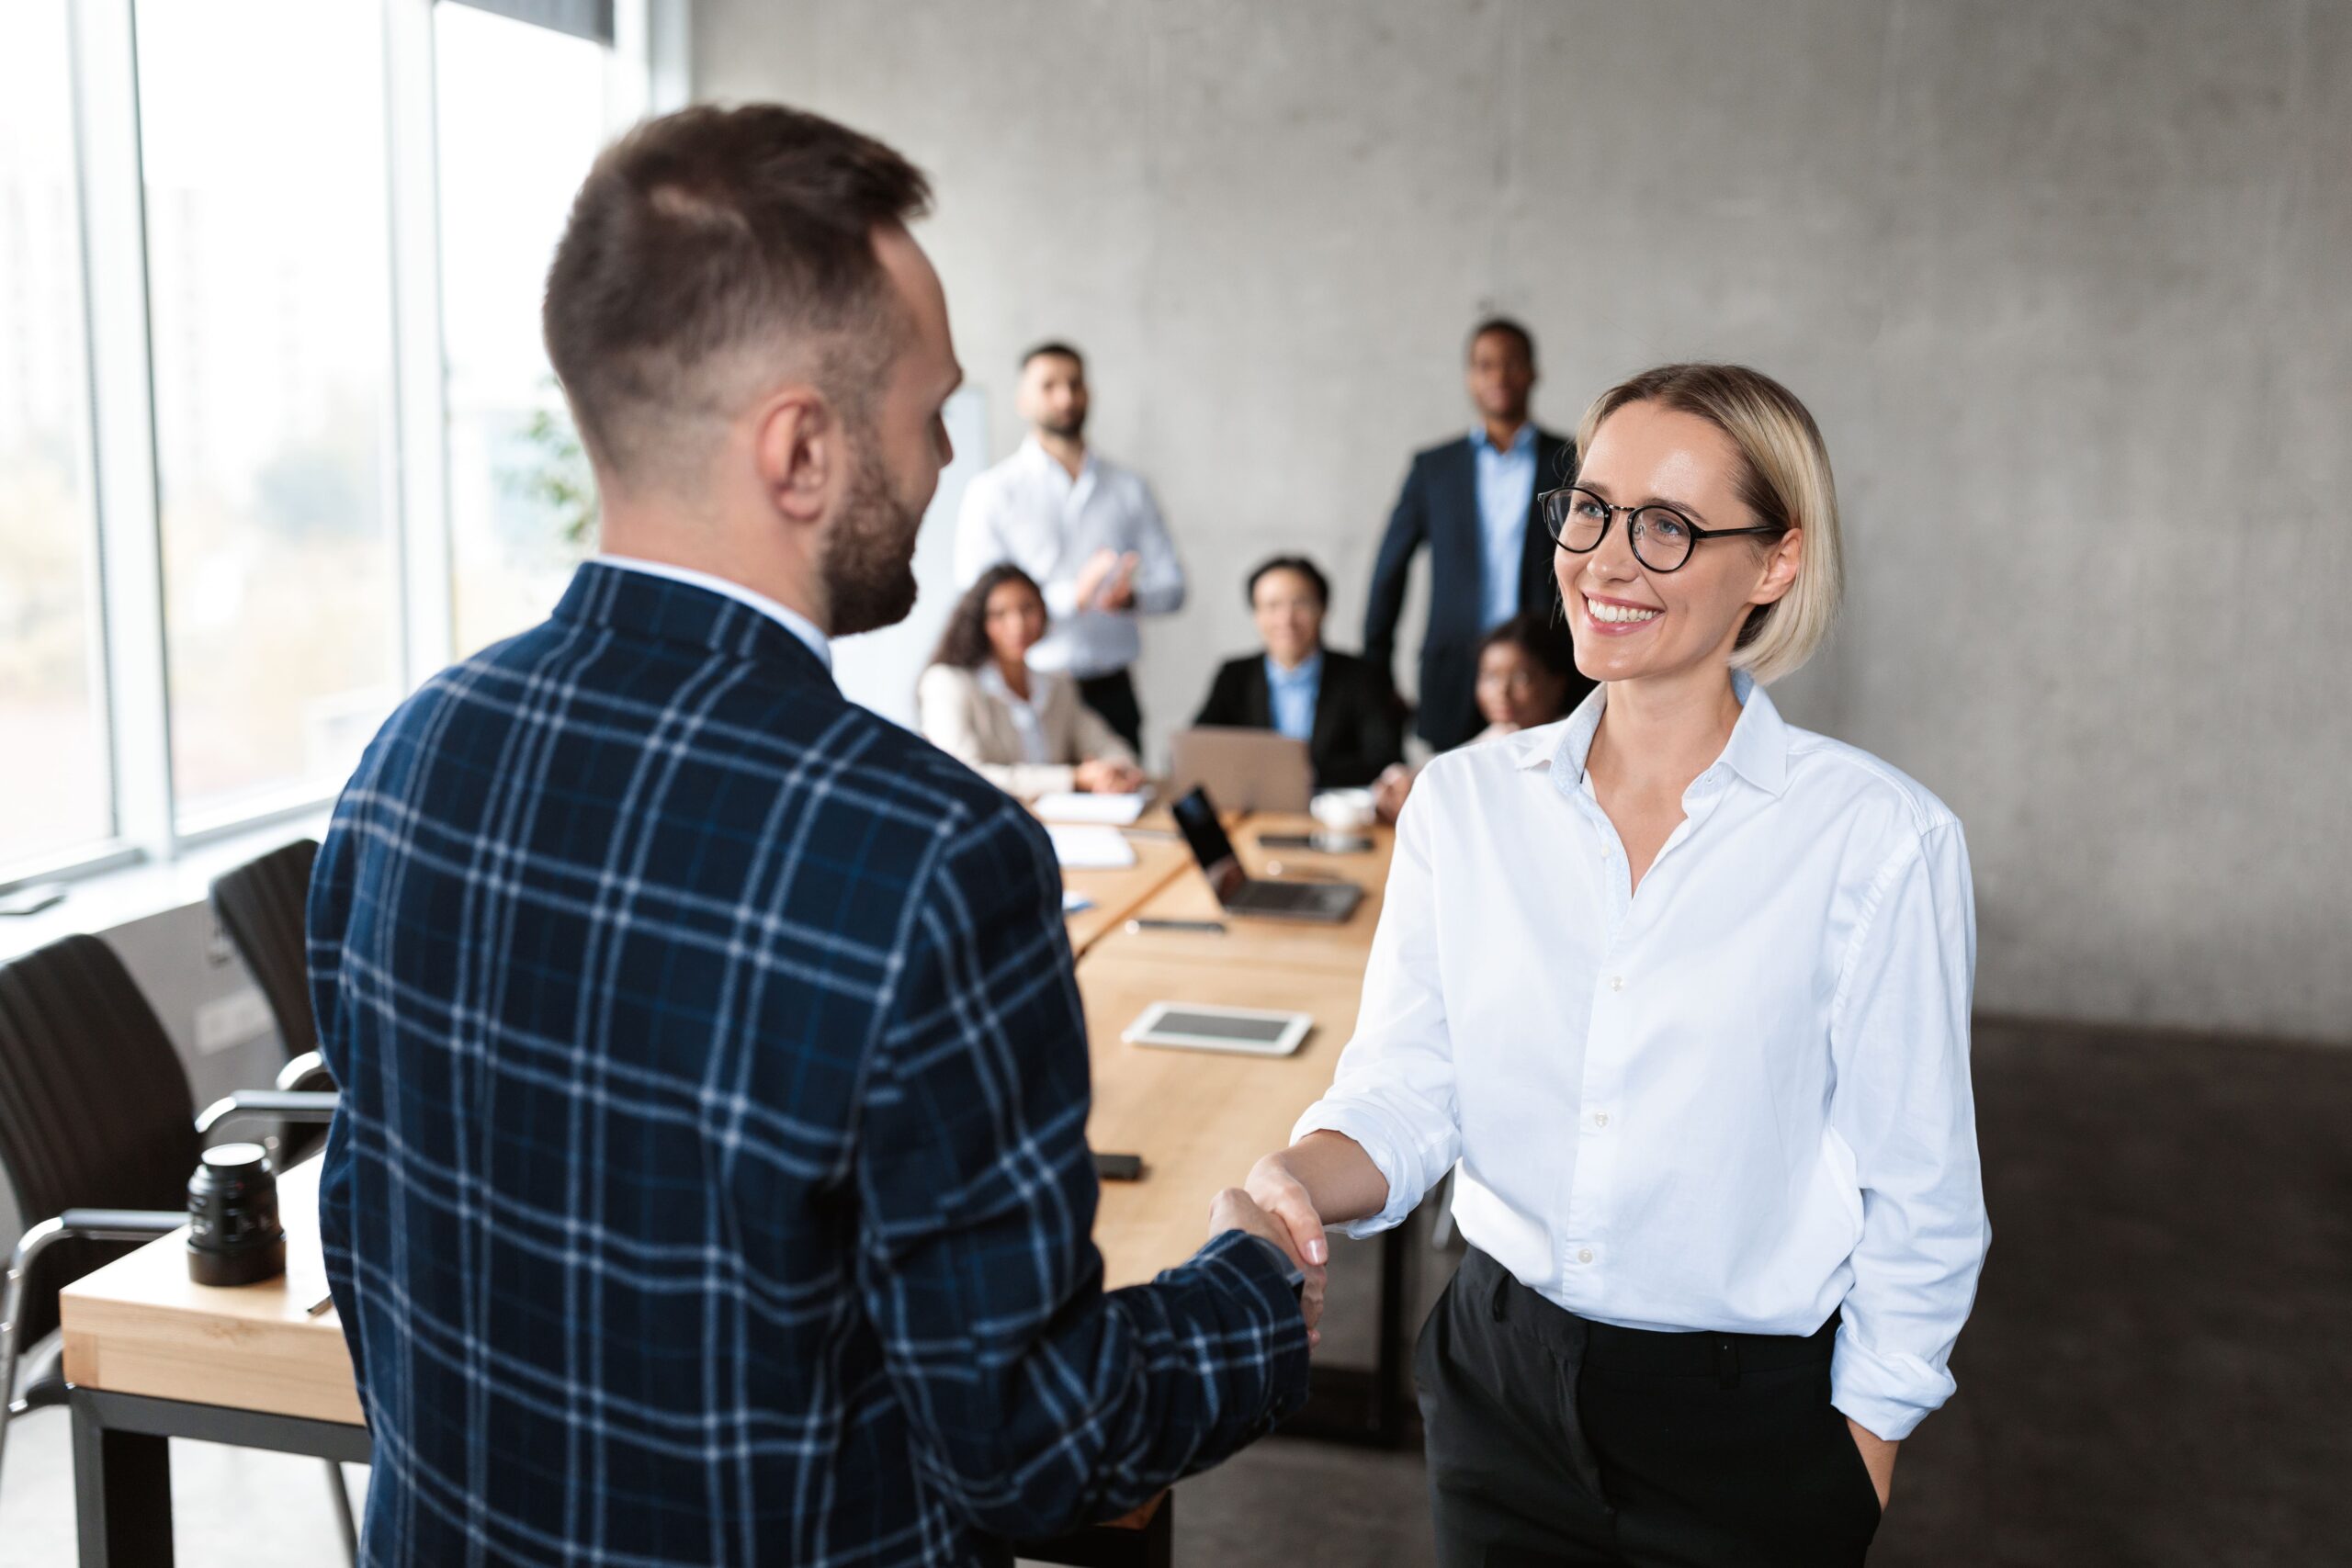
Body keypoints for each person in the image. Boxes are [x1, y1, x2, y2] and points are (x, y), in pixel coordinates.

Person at [308, 105, 1316, 1568]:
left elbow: (374, 1250)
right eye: (927, 411)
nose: (948, 457)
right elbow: (1035, 1443)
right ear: (800, 449)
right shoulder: (931, 856)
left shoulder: (406, 756)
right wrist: (1252, 1286)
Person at [1247, 364, 1987, 1565]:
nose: (1604, 557)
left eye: (1668, 525)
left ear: (1775, 562)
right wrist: (1292, 1174)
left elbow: (1923, 1190)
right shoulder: (1464, 803)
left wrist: (1866, 1447)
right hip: (1501, 1384)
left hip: (1752, 1427)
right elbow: (1407, 1088)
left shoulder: (1882, 841)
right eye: (1587, 508)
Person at [954, 341, 1184, 753]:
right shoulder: (993, 491)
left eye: (1075, 384)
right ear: (1023, 399)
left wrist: (1130, 598)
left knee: (1124, 796)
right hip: (1029, 687)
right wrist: (1069, 598)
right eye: (1049, 386)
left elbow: (1173, 586)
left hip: (1111, 688)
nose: (1065, 397)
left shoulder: (1128, 488)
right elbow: (977, 594)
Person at [1363, 318, 1577, 751]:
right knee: (1451, 798)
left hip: (1546, 669)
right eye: (1486, 365)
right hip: (1455, 671)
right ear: (1470, 377)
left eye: (1512, 363)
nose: (1499, 375)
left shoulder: (1571, 460)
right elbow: (1390, 570)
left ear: (1534, 372)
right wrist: (1376, 671)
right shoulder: (1434, 468)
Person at [918, 563, 1147, 799]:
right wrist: (1073, 778)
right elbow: (966, 777)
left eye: (1028, 609)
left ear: (1043, 613)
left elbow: (1106, 744)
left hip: (1067, 823)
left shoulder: (1057, 685)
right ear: (980, 622)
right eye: (999, 614)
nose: (1018, 625)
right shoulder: (947, 683)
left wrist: (1116, 771)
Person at [1192, 555, 1405, 791]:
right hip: (1255, 814)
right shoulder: (1234, 676)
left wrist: (1305, 773)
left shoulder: (1361, 676)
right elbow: (1196, 748)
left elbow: (1385, 760)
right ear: (1256, 615)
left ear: (1323, 610)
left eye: (1300, 604)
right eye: (1272, 606)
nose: (1286, 619)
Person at [1369, 611, 1588, 820]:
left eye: (1522, 678)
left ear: (1558, 683)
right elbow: (1449, 764)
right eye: (1490, 677)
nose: (1501, 692)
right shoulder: (1501, 733)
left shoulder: (1574, 745)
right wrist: (1404, 780)